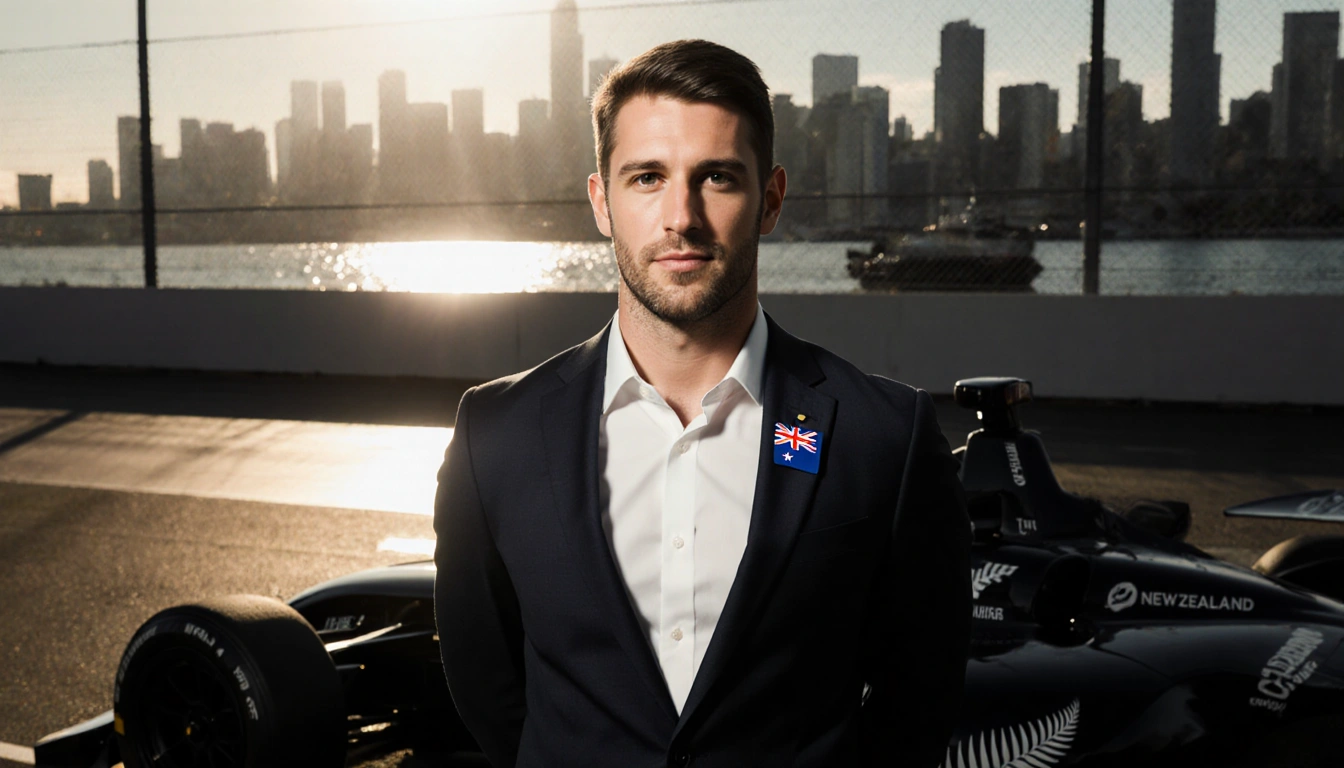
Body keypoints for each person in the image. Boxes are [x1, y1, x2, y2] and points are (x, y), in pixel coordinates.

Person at [434, 38, 971, 768]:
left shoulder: (887, 437)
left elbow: (920, 697)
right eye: (647, 177)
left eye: (716, 177)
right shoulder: (494, 436)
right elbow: (488, 687)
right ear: (602, 201)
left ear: (771, 200)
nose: (680, 216)